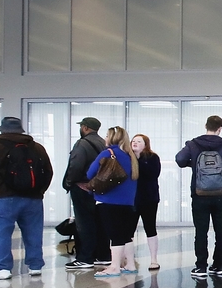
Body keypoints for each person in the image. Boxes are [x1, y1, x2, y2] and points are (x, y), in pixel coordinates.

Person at [0, 117, 53, 281]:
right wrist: (39, 191)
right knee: (33, 233)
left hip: (2, 196)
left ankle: (2, 268)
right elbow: (48, 172)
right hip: (33, 199)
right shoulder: (37, 148)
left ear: (2, 130)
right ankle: (35, 266)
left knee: (2, 233)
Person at [175, 115, 222, 280]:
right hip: (221, 194)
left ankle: (201, 267)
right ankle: (218, 266)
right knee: (221, 231)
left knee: (201, 231)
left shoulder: (193, 144)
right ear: (220, 128)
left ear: (206, 126)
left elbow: (180, 159)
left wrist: (193, 165)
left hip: (200, 194)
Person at [85, 126, 140, 278]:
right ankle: (130, 264)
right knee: (125, 235)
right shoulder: (131, 157)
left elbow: (90, 173)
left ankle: (114, 267)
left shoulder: (107, 154)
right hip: (128, 202)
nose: (105, 138)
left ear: (112, 138)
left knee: (115, 235)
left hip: (108, 200)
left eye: (107, 135)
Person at [63, 116, 108, 271]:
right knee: (100, 223)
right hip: (100, 190)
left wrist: (69, 182)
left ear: (85, 128)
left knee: (84, 223)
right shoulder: (103, 143)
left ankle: (85, 258)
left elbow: (76, 166)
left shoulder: (82, 144)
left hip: (82, 188)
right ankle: (103, 256)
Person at [130, 133, 162, 271]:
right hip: (131, 199)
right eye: (133, 141)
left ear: (145, 144)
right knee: (129, 230)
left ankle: (154, 259)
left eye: (139, 141)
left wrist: (138, 161)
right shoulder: (127, 158)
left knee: (150, 227)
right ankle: (129, 261)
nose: (135, 143)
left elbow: (153, 174)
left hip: (149, 198)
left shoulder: (152, 158)